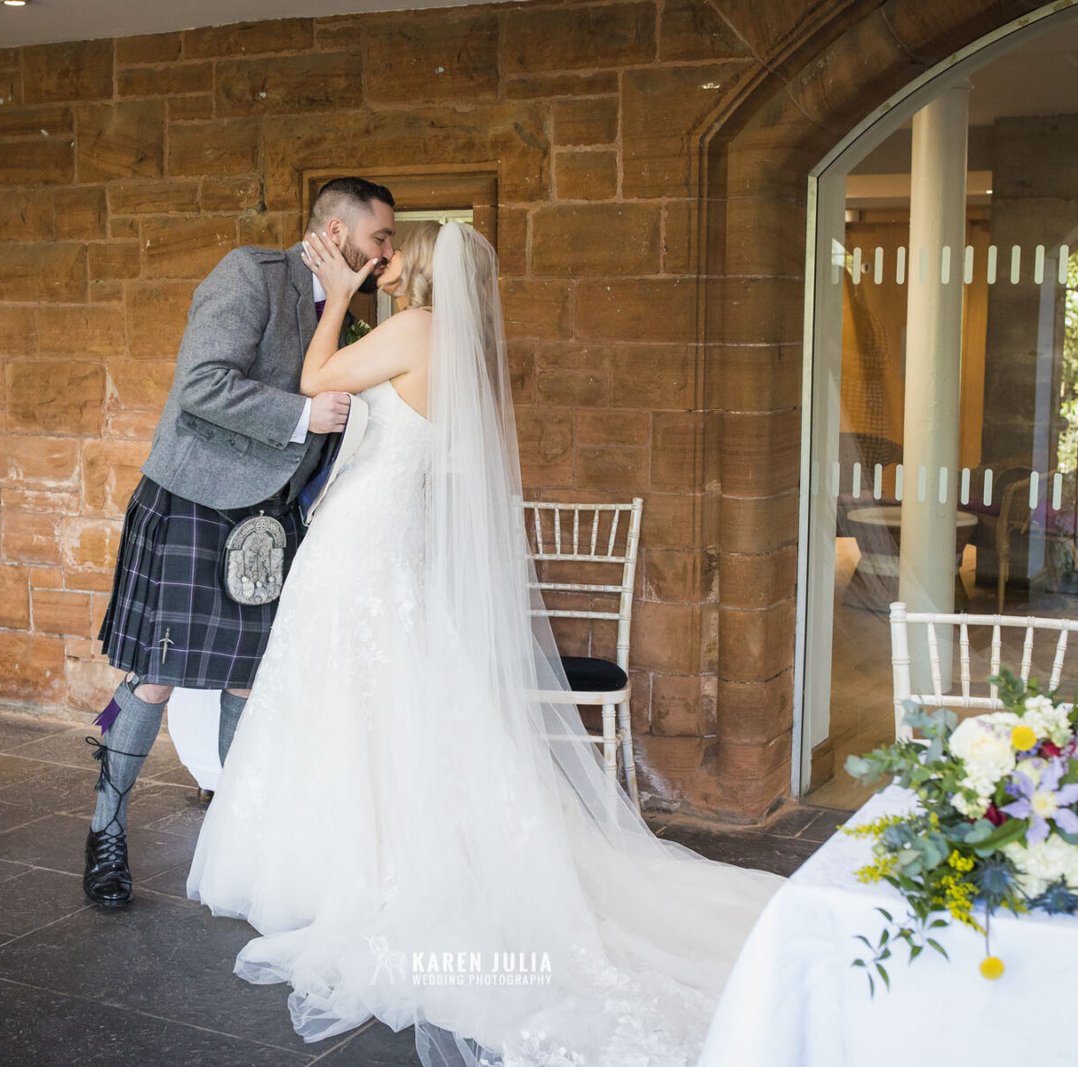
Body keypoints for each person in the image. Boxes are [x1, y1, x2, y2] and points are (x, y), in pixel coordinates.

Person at [186, 221, 784, 1066]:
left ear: (421, 268)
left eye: (393, 252)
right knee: (385, 699)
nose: (382, 260)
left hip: (362, 540)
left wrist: (344, 298)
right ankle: (377, 846)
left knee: (346, 694)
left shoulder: (414, 328)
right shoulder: (456, 343)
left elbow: (317, 378)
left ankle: (344, 866)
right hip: (392, 539)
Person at [81, 178, 396, 909]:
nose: (388, 252)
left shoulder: (349, 316)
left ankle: (238, 844)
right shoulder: (252, 274)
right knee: (155, 676)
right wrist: (303, 416)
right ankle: (105, 833)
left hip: (272, 522)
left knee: (250, 683)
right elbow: (201, 385)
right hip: (196, 501)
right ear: (336, 231)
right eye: (380, 237)